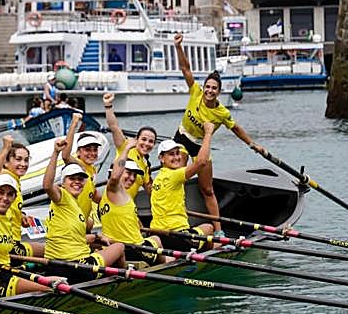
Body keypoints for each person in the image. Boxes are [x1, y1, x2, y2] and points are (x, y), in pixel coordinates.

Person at [171, 32, 261, 222]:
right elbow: (185, 69)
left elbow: (236, 129)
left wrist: (253, 144)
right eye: (208, 87)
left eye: (214, 88)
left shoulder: (222, 113)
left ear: (219, 92)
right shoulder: (195, 92)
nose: (210, 91)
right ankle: (173, 215)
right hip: (181, 138)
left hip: (201, 146)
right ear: (203, 87)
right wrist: (178, 47)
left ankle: (218, 228)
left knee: (207, 189)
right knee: (176, 179)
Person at [42, 137, 125, 283]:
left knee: (100, 246)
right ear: (63, 183)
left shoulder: (76, 209)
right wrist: (55, 153)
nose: (77, 182)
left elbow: (76, 238)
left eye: (80, 179)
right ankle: (123, 282)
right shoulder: (62, 196)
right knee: (119, 247)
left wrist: (97, 237)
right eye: (72, 179)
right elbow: (47, 185)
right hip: (78, 267)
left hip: (56, 264)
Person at [149, 133, 216, 254]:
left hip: (158, 234)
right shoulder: (174, 175)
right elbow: (201, 162)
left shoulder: (158, 178)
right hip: (176, 237)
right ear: (161, 158)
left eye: (177, 153)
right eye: (171, 154)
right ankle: (207, 258)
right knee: (209, 228)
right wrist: (208, 134)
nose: (176, 157)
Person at [97, 139, 160, 264]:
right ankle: (167, 267)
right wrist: (126, 149)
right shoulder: (113, 190)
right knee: (157, 240)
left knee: (154, 238)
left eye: (134, 175)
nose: (132, 178)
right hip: (132, 249)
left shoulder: (118, 194)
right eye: (128, 173)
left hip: (122, 246)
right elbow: (115, 177)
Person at [0, 134, 43, 257]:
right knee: (51, 250)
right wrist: (6, 148)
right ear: (6, 162)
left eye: (26, 160)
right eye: (18, 159)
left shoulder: (15, 180)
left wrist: (21, 215)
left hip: (12, 241)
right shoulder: (5, 177)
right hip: (8, 245)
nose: (23, 164)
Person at [103, 92, 158, 180]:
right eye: (143, 139)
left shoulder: (145, 165)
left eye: (151, 141)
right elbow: (114, 126)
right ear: (136, 139)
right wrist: (108, 105)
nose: (147, 144)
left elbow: (149, 188)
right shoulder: (125, 146)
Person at [60, 114, 104, 223]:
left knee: (89, 223)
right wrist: (74, 123)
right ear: (78, 152)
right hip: (72, 222)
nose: (92, 153)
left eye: (95, 150)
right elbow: (65, 155)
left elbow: (92, 193)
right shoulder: (79, 165)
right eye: (87, 149)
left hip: (83, 220)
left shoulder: (92, 169)